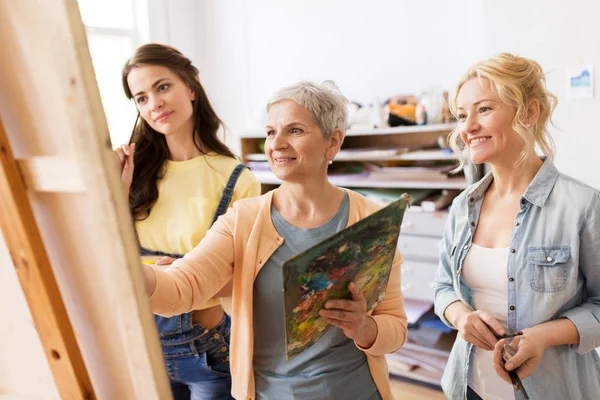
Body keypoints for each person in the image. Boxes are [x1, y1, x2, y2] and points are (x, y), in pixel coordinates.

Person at [141, 81, 408, 400]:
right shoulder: (243, 220)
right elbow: (180, 290)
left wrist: (364, 327)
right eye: (270, 132)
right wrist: (126, 268)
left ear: (332, 142)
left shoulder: (372, 219)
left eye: (294, 130)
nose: (276, 144)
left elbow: (395, 329)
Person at [432, 53, 600, 400]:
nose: (467, 127)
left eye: (484, 109)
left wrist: (544, 336)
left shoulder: (583, 206)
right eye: (462, 115)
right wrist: (462, 317)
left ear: (529, 112)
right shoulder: (464, 206)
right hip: (470, 387)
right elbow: (443, 287)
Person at [118, 43, 260, 400]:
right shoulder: (133, 174)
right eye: (141, 98)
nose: (154, 104)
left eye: (162, 87)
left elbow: (245, 279)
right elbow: (106, 259)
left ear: (191, 88)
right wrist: (117, 190)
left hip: (205, 352)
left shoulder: (236, 178)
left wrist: (178, 279)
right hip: (141, 344)